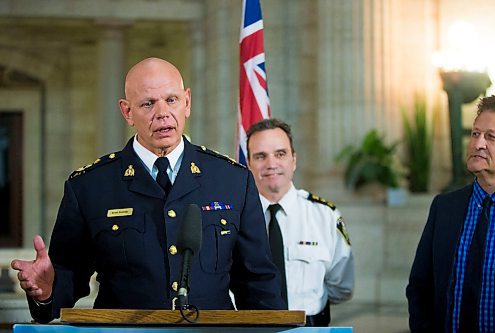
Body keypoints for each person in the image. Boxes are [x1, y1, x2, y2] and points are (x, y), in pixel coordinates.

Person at [11, 57, 286, 323]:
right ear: (127, 111)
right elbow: (67, 276)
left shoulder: (232, 180)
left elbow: (258, 281)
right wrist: (46, 292)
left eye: (172, 100)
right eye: (147, 104)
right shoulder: (89, 186)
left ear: (187, 102)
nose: (162, 113)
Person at [245, 118, 354, 327]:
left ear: (293, 160)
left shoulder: (325, 216)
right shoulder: (234, 220)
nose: (271, 164)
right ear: (248, 164)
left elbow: (342, 286)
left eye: (280, 154)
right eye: (260, 156)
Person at [407, 95, 495, 332]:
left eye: (491, 137)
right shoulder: (445, 207)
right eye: (475, 133)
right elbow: (420, 285)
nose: (478, 144)